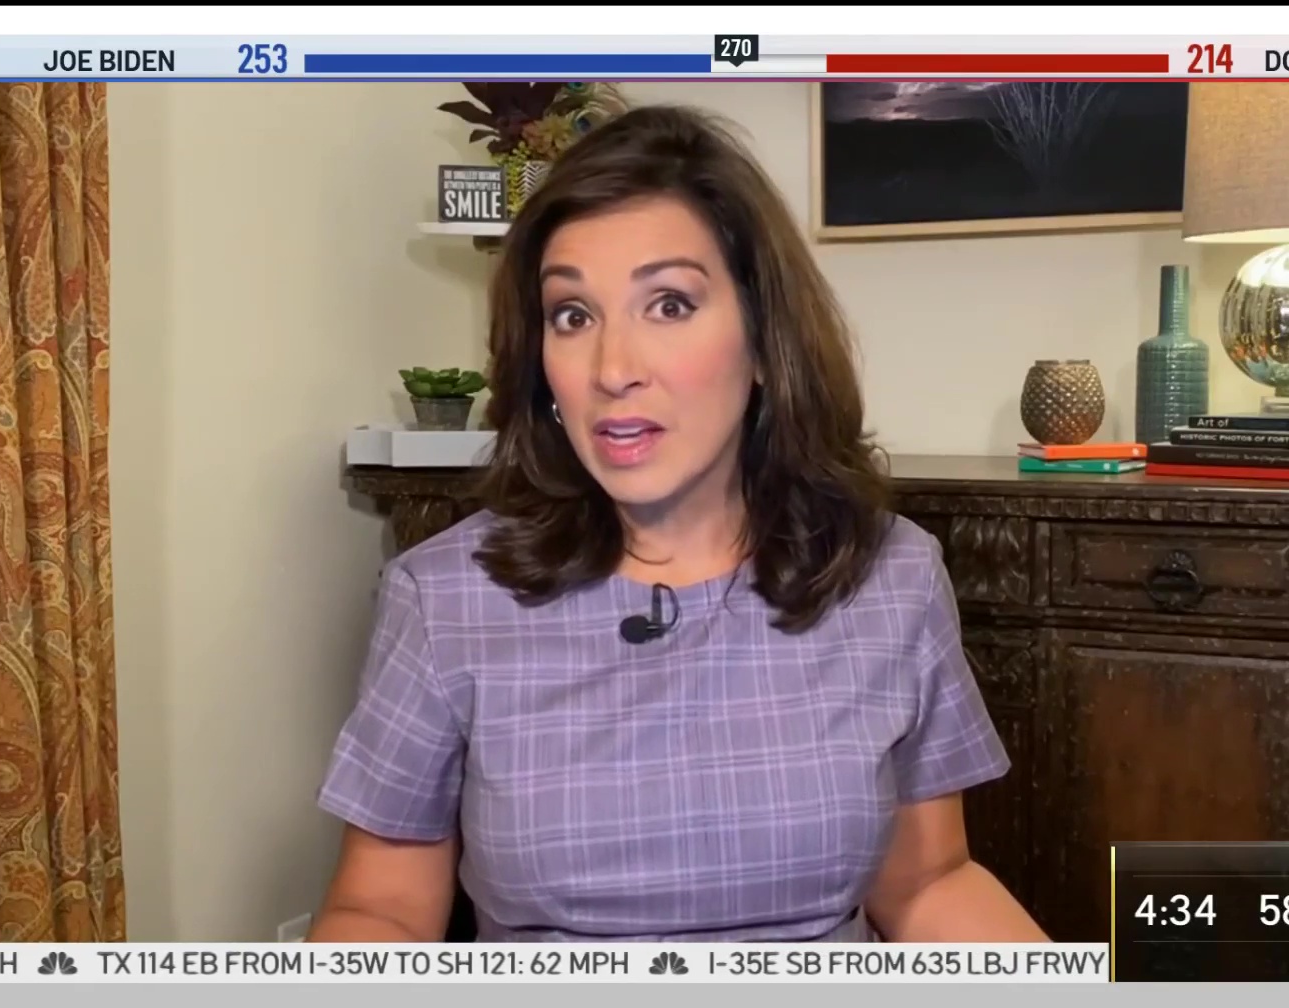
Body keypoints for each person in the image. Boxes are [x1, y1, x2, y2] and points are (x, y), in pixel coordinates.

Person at [308, 104, 1046, 944]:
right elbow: (382, 910)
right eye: (573, 315)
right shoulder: (444, 598)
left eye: (668, 305)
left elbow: (928, 883)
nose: (614, 369)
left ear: (764, 340)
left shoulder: (890, 575)